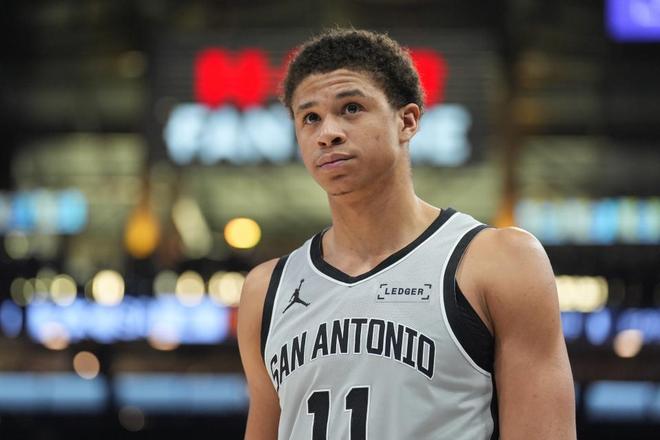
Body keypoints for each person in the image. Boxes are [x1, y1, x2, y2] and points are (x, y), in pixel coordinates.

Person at [238, 28, 576, 440]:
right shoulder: (266, 290)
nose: (328, 133)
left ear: (408, 120)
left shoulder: (499, 261)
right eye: (310, 118)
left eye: (351, 108)